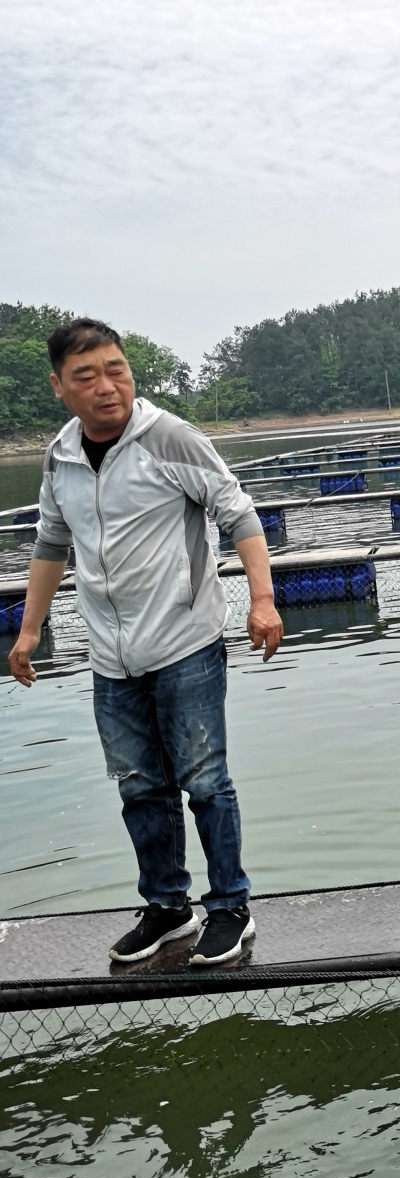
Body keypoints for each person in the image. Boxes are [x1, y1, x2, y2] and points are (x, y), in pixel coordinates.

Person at [6, 318, 283, 966]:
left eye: (117, 369)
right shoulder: (60, 454)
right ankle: (166, 907)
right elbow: (51, 541)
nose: (108, 386)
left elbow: (237, 512)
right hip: (111, 655)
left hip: (185, 640)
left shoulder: (168, 437)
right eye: (87, 376)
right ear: (58, 386)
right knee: (138, 786)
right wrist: (28, 628)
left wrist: (263, 599)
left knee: (205, 780)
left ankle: (229, 909)